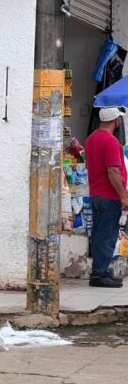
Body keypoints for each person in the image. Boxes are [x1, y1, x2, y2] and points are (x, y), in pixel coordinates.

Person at [85, 107, 127, 288]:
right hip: (109, 195)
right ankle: (99, 274)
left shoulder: (91, 139)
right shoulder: (110, 141)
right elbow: (113, 171)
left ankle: (100, 269)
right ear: (116, 120)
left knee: (99, 234)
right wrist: (123, 196)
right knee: (107, 235)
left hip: (96, 193)